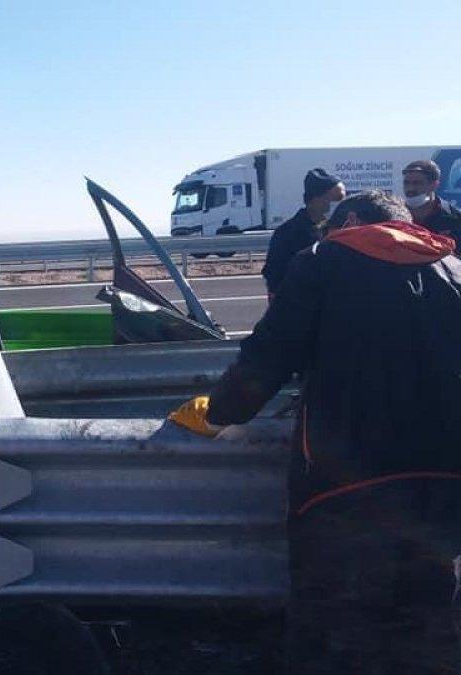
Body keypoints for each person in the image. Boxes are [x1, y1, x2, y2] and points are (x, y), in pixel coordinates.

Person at [169, 190, 461, 673]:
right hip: (446, 482)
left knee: (333, 627)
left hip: (345, 482)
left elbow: (269, 357)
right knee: (429, 622)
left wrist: (218, 413)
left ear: (349, 220)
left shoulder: (324, 260)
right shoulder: (453, 268)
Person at [261, 168, 345, 297]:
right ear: (315, 199)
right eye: (337, 200)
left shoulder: (341, 230)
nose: (341, 206)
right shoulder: (287, 234)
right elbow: (274, 279)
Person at [403, 159, 461, 243]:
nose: (410, 188)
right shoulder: (393, 216)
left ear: (434, 185)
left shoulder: (456, 219)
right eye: (406, 183)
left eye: (417, 183)